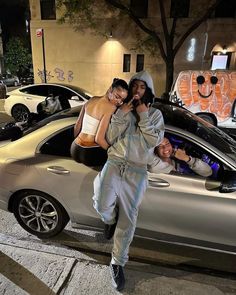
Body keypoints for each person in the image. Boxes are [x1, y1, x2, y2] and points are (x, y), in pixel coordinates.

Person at [93, 70, 165, 291]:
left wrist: (142, 114)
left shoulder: (155, 115)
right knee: (101, 205)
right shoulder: (121, 110)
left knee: (129, 221)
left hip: (137, 171)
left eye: (142, 87)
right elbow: (111, 138)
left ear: (148, 91)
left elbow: (153, 140)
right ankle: (109, 219)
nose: (137, 91)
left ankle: (117, 263)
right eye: (134, 86)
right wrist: (122, 114)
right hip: (115, 163)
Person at [70, 78, 129, 166]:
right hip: (89, 152)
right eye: (117, 97)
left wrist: (78, 144)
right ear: (110, 90)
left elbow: (77, 127)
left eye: (122, 100)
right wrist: (115, 153)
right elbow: (99, 139)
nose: (119, 102)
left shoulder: (92, 99)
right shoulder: (111, 108)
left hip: (75, 148)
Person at [148, 137, 212, 177]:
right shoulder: (154, 164)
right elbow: (153, 168)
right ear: (155, 151)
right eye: (160, 146)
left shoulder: (178, 162)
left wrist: (186, 158)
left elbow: (208, 172)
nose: (165, 147)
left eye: (167, 144)